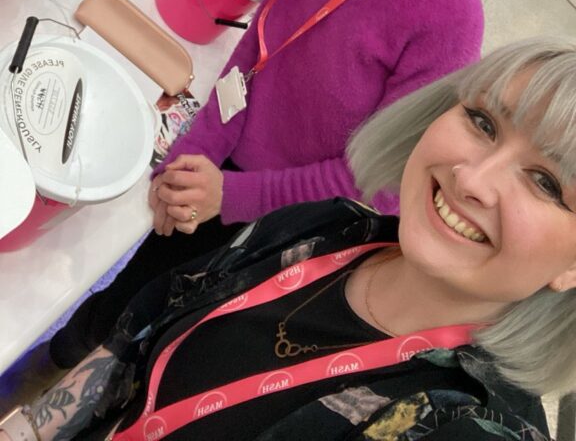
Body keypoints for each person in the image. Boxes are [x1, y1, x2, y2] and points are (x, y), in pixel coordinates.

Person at [13, 0, 503, 387]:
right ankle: (50, 365)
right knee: (114, 282)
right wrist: (194, 156)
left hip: (285, 224)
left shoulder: (449, 12)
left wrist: (236, 198)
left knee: (160, 341)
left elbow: (381, 181)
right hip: (222, 168)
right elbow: (260, 45)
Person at [5, 37, 576, 439]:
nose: (472, 179)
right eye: (482, 123)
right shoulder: (323, 230)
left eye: (547, 183)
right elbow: (139, 338)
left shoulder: (467, 428)